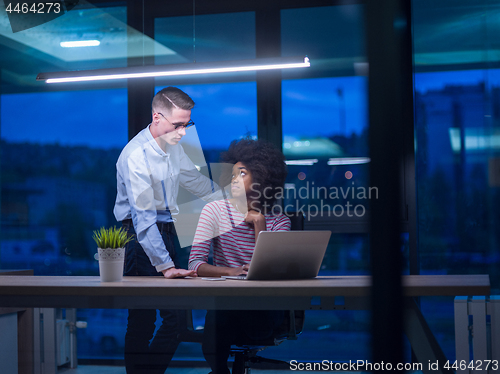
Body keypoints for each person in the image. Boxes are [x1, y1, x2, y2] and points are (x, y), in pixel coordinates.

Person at [114, 86, 220, 374]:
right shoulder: (135, 157)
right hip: (138, 238)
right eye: (178, 125)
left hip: (166, 232)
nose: (184, 132)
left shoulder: (173, 146)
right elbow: (143, 220)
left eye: (188, 124)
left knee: (174, 320)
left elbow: (195, 183)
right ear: (157, 117)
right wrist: (166, 267)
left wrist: (232, 202)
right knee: (148, 319)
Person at [188, 138, 291, 374]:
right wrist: (230, 271)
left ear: (263, 177)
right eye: (232, 174)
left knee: (233, 318)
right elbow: (195, 264)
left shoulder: (279, 220)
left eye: (242, 174)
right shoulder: (214, 211)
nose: (234, 179)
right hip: (225, 304)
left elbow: (271, 268)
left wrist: (259, 223)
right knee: (221, 317)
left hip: (263, 308)